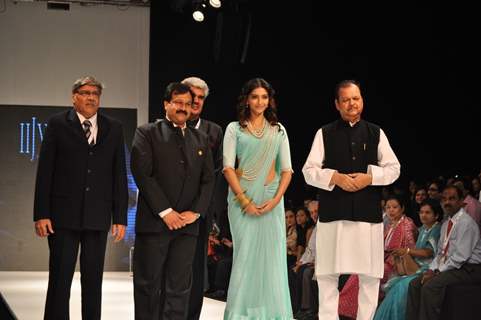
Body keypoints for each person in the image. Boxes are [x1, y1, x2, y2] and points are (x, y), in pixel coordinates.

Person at [302, 79, 401, 320]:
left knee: (369, 279)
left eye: (355, 98)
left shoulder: (375, 132)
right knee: (327, 277)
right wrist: (334, 177)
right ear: (337, 104)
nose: (351, 103)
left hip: (367, 217)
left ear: (362, 101)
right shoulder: (324, 133)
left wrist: (370, 177)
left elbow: (394, 168)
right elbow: (308, 171)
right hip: (333, 215)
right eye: (345, 100)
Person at [33, 76, 128, 320]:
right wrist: (41, 213)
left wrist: (120, 217)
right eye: (85, 92)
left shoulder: (113, 127)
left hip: (98, 215)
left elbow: (118, 174)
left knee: (94, 280)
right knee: (60, 279)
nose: (91, 97)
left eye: (95, 93)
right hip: (63, 215)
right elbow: (45, 171)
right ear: (74, 96)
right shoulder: (57, 123)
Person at [131, 82, 215, 319]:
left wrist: (196, 212)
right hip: (155, 224)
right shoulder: (147, 132)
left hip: (187, 227)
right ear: (166, 103)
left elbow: (209, 180)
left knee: (179, 289)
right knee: (148, 286)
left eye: (187, 104)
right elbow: (142, 174)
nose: (183, 108)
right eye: (178, 102)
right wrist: (165, 211)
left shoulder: (201, 139)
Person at [222, 78, 293, 319]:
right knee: (245, 257)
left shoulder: (278, 130)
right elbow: (227, 168)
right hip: (242, 201)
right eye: (255, 97)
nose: (260, 102)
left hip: (272, 201)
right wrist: (244, 201)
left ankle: (270, 314)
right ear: (246, 100)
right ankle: (240, 313)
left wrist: (275, 202)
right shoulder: (235, 128)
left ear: (269, 100)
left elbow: (287, 170)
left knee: (271, 260)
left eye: (264, 97)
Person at [181, 76, 224, 320]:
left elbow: (216, 176)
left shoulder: (214, 131)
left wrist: (201, 210)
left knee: (197, 271)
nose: (196, 101)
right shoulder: (163, 127)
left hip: (200, 214)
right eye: (192, 96)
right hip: (170, 214)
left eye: (200, 98)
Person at [406, 185, 481, 320]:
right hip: (453, 266)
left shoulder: (466, 223)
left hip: (469, 269)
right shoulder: (447, 223)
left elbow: (460, 257)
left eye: (452, 198)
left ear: (461, 201)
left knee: (430, 286)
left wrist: (437, 271)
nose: (447, 202)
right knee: (415, 284)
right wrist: (431, 269)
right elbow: (441, 253)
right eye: (444, 199)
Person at [338, 194, 418, 318]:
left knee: (366, 275)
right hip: (383, 261)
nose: (391, 210)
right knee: (357, 272)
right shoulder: (390, 225)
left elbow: (409, 249)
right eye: (388, 207)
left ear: (402, 208)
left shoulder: (407, 225)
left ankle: (356, 313)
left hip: (396, 265)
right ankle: (349, 311)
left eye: (395, 207)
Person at [374, 198, 442, 320]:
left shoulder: (436, 229)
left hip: (427, 267)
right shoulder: (423, 229)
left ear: (436, 215)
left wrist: (407, 251)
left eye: (428, 213)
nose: (423, 215)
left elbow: (429, 252)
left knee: (400, 286)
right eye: (421, 212)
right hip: (413, 264)